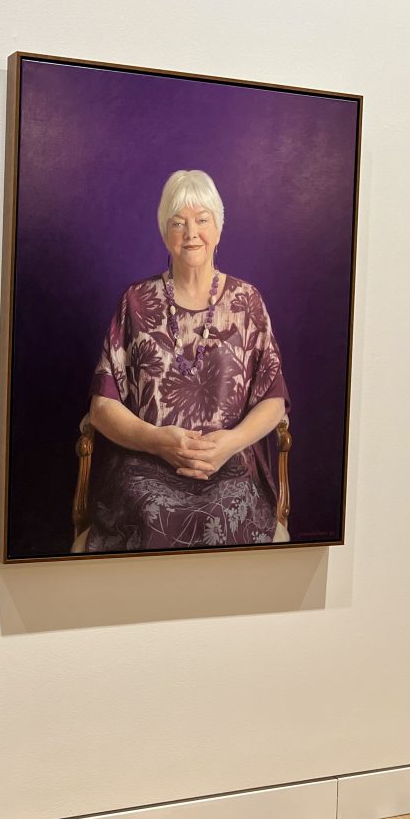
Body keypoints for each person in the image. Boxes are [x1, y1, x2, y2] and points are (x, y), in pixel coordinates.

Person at [84, 169, 289, 551]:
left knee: (225, 510)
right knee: (150, 510)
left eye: (202, 220)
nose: (191, 232)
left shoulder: (248, 301)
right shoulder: (135, 302)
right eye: (178, 223)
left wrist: (231, 442)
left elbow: (273, 399)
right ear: (165, 233)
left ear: (219, 229)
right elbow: (102, 407)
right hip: (146, 465)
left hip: (230, 465)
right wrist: (158, 441)